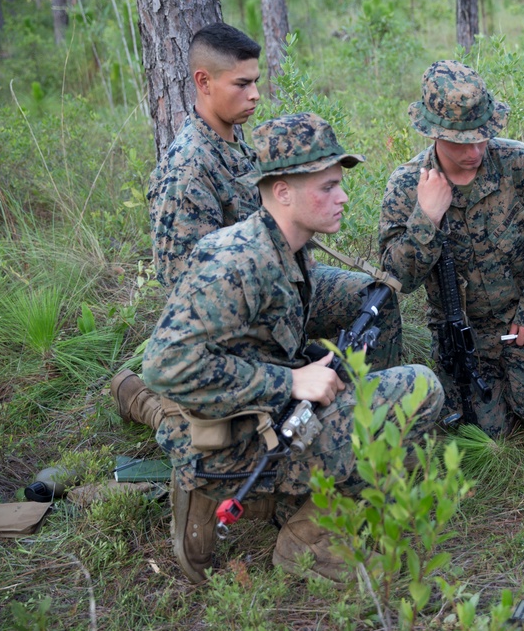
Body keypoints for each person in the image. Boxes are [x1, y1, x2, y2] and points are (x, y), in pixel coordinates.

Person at [142, 112, 443, 583]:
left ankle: (320, 493)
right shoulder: (237, 263)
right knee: (420, 389)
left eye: (339, 183)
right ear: (282, 192)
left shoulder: (284, 245)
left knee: (369, 306)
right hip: (230, 443)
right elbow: (163, 367)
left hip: (262, 411)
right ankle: (305, 540)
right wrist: (293, 379)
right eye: (327, 187)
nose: (342, 196)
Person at [379, 60, 524, 438]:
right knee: (485, 432)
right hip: (461, 334)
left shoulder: (520, 165)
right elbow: (396, 279)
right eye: (460, 140)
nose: (474, 150)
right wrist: (427, 218)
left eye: (481, 136)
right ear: (433, 133)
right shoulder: (407, 185)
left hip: (521, 322)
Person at [112, 22, 263, 431]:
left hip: (267, 299)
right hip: (229, 326)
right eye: (242, 84)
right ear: (204, 82)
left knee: (367, 299)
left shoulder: (233, 140)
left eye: (256, 82)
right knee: (239, 434)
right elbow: (188, 290)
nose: (255, 95)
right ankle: (153, 406)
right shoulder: (188, 169)